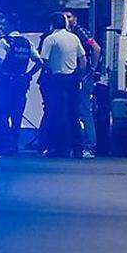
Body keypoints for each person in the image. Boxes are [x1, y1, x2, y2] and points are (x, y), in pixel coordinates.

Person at [39, 12, 86, 158]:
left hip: (57, 78)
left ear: (52, 24)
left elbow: (44, 60)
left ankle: (59, 147)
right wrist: (80, 74)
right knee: (73, 113)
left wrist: (51, 71)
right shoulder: (74, 38)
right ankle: (77, 147)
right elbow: (83, 59)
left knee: (57, 113)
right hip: (72, 78)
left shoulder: (50, 39)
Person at [0, 17, 41, 154]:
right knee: (17, 115)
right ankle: (14, 144)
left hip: (6, 82)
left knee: (2, 113)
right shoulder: (26, 43)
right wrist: (28, 74)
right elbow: (39, 62)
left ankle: (4, 144)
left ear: (9, 25)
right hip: (20, 83)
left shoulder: (5, 41)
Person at [65, 10, 101, 158]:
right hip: (77, 76)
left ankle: (90, 146)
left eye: (69, 17)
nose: (67, 20)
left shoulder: (80, 32)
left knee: (85, 111)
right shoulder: (70, 35)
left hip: (84, 77)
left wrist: (91, 69)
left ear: (75, 19)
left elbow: (96, 48)